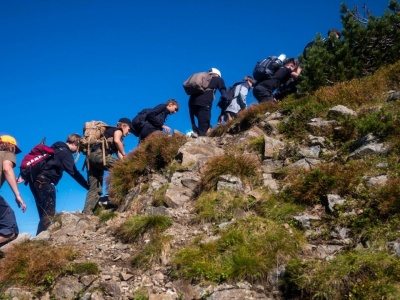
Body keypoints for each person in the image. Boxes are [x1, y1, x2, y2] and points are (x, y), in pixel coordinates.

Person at [28, 133, 89, 235]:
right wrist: (88, 186)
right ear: (75, 143)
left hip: (35, 182)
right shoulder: (65, 153)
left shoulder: (55, 148)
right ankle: (41, 241)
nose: (78, 150)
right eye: (79, 147)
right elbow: (74, 172)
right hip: (45, 182)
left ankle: (40, 237)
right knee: (49, 214)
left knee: (43, 213)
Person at [83, 118, 133, 214]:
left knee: (95, 188)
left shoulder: (109, 134)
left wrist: (125, 163)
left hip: (90, 159)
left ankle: (87, 213)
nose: (129, 133)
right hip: (99, 155)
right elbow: (118, 142)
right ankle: (116, 194)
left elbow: (119, 154)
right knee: (119, 168)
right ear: (123, 126)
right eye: (129, 130)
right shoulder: (118, 130)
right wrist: (125, 155)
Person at [0, 135, 27, 247]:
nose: (15, 152)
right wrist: (17, 194)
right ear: (10, 146)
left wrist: (12, 179)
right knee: (10, 228)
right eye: (15, 149)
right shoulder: (7, 153)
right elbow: (7, 168)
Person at [189, 68, 227, 136]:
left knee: (205, 124)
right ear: (218, 75)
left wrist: (193, 123)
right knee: (203, 130)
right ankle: (199, 143)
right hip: (204, 104)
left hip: (192, 103)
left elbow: (191, 105)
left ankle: (199, 135)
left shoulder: (202, 80)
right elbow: (224, 95)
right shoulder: (218, 79)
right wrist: (223, 111)